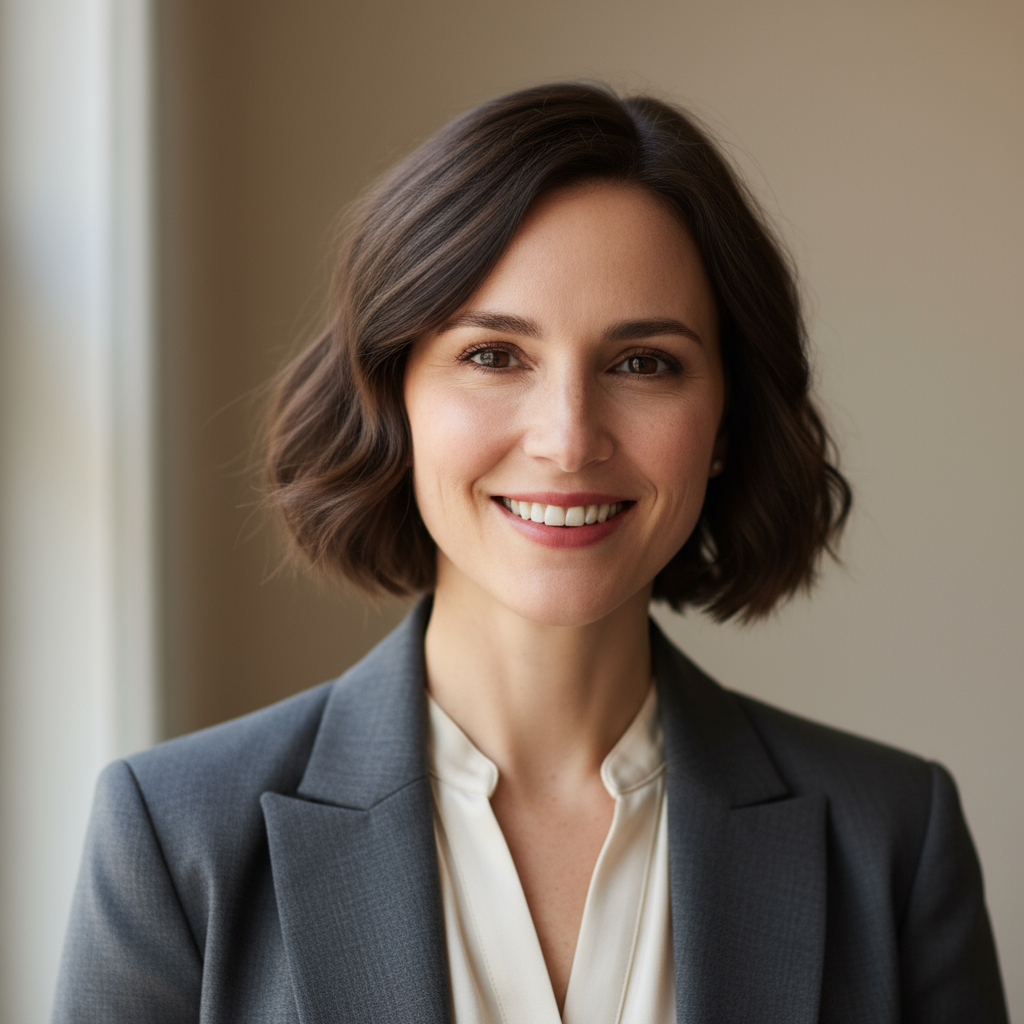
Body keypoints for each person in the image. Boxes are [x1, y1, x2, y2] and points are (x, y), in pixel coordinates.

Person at [53, 83, 1008, 1023]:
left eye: (644, 363)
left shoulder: (891, 839)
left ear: (726, 421)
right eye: (494, 355)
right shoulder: (176, 835)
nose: (567, 438)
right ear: (395, 400)